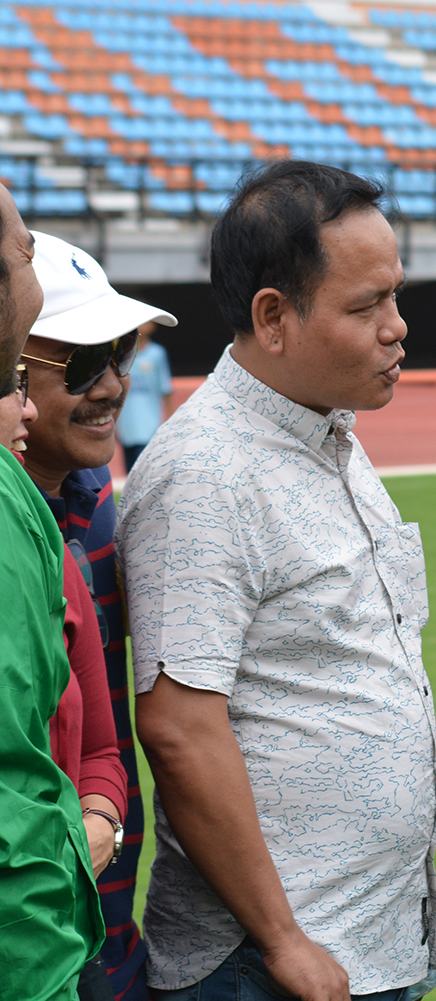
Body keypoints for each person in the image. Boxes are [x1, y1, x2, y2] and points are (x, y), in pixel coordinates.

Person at [116, 160, 436, 999]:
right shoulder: (205, 471)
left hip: (367, 941)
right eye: (367, 306)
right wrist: (283, 938)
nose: (397, 327)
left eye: (395, 295)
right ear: (274, 317)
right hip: (268, 967)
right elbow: (181, 729)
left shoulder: (328, 430)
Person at [18, 231, 175, 1001]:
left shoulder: (100, 509)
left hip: (109, 943)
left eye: (121, 351)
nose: (113, 381)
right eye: (83, 362)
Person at [0, 183, 104, 1001]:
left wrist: (96, 823)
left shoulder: (80, 526)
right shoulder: (15, 511)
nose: (111, 384)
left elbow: (102, 744)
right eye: (86, 360)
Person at [6, 358, 129, 1001]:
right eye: (8, 386)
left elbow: (105, 748)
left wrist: (99, 817)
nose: (23, 408)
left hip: (65, 937)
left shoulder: (50, 549)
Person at [116, 319, 173, 471]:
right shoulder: (121, 354)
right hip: (127, 426)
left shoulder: (157, 354)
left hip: (149, 426)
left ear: (152, 326)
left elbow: (165, 389)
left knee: (147, 471)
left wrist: (170, 421)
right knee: (130, 472)